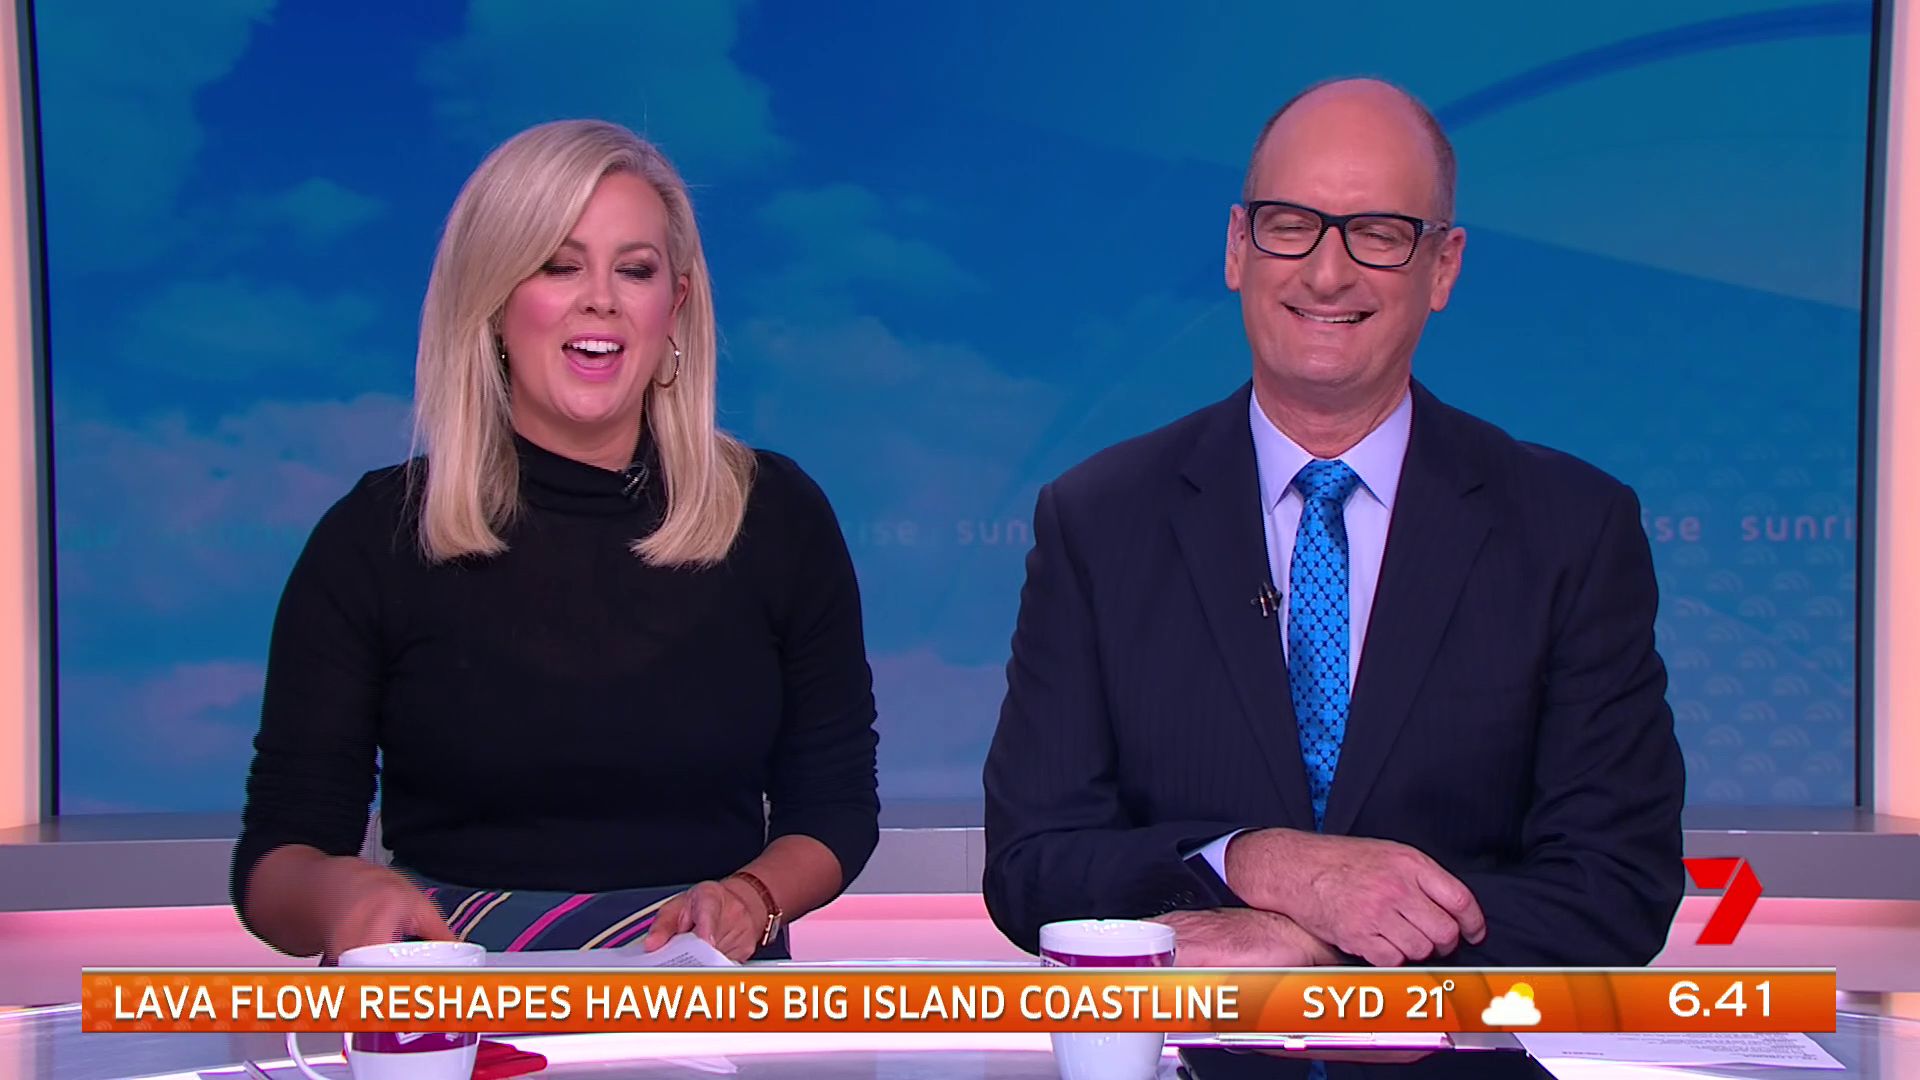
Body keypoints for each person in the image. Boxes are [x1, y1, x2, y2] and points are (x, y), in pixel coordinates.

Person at [982, 79, 1684, 968]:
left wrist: (1316, 948)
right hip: (1188, 1040)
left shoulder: (1570, 530)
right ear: (1237, 247)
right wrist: (1260, 863)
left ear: (1444, 266)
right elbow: (1032, 867)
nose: (1326, 272)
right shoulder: (1098, 520)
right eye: (1290, 225)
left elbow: (1616, 889)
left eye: (1379, 234)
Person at [231, 119, 880, 964]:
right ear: (493, 301)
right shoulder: (376, 535)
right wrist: (341, 895)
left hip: (704, 993)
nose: (600, 299)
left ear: (675, 306)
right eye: (557, 265)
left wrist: (753, 899)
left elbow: (834, 807)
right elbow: (279, 855)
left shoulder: (776, 515)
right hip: (451, 998)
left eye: (635, 270)